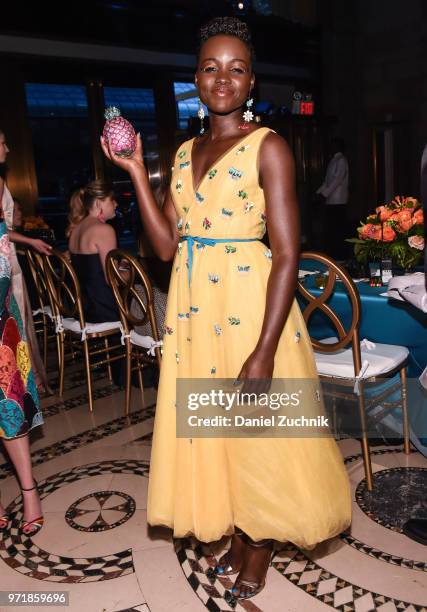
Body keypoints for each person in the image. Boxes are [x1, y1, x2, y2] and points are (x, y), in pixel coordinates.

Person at [101, 16, 351, 601]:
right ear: (196, 78)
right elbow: (165, 245)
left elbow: (288, 253)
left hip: (250, 309)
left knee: (258, 434)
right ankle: (241, 532)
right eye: (211, 68)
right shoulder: (184, 153)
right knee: (219, 429)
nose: (223, 78)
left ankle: (259, 542)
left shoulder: (271, 147)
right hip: (194, 312)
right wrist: (138, 169)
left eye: (236, 69)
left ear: (251, 82)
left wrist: (264, 350)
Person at [0, 129, 44, 536]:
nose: (8, 146)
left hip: (0, 314)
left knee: (10, 404)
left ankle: (30, 492)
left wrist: (22, 237)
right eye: (2, 140)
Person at [0, 129, 51, 393]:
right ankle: (19, 387)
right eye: (3, 143)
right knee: (13, 326)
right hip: (4, 263)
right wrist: (30, 241)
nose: (7, 149)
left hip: (7, 256)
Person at [67, 181, 119, 323]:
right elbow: (112, 279)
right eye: (112, 200)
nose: (116, 204)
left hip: (83, 310)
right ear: (98, 203)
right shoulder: (104, 230)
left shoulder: (75, 230)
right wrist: (127, 267)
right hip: (105, 310)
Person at [316, 137, 349, 259]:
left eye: (333, 145)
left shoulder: (341, 160)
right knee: (332, 228)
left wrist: (324, 194)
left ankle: (340, 255)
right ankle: (333, 252)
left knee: (338, 228)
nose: (331, 147)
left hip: (338, 200)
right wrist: (318, 192)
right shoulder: (333, 160)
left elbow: (337, 180)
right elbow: (327, 181)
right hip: (331, 201)